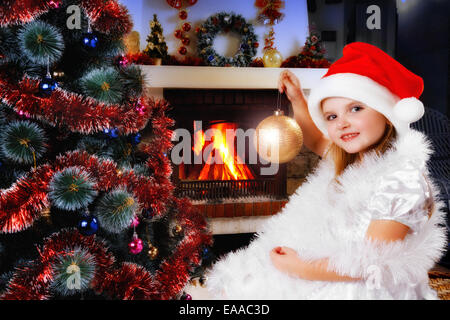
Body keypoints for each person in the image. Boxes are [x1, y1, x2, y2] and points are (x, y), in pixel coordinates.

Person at [205, 42, 448, 300]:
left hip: (367, 287)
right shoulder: (356, 160)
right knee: (239, 283)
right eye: (331, 117)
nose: (342, 123)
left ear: (386, 113)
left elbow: (370, 261)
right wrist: (298, 99)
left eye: (356, 108)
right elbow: (318, 141)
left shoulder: (402, 179)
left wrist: (300, 267)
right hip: (330, 265)